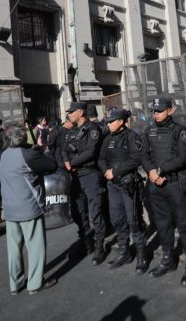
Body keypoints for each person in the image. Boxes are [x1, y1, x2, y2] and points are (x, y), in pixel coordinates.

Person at [141, 97, 186, 286]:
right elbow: (144, 155)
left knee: (184, 224)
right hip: (156, 185)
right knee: (163, 224)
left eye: (159, 110)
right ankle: (168, 259)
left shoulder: (179, 132)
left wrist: (160, 170)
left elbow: (183, 158)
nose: (155, 114)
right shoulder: (149, 131)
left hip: (175, 185)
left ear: (170, 111)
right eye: (154, 111)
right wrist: (151, 171)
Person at [0, 123, 57, 295]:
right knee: (35, 247)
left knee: (14, 250)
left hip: (9, 209)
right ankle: (34, 283)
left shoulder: (4, 155)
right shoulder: (29, 155)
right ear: (23, 137)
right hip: (28, 207)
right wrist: (42, 149)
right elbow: (51, 165)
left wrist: (35, 149)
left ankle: (15, 284)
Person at [98, 107, 149, 274]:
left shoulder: (131, 137)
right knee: (117, 219)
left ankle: (142, 255)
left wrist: (115, 171)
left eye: (111, 121)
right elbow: (101, 158)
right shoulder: (107, 138)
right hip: (113, 185)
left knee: (133, 220)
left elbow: (136, 159)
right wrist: (107, 171)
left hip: (127, 184)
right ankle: (124, 252)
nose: (109, 124)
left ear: (121, 121)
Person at [64, 101, 107, 263]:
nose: (69, 114)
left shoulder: (93, 129)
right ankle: (86, 242)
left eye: (71, 112)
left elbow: (90, 152)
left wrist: (73, 163)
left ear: (80, 112)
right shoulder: (71, 131)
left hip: (90, 175)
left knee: (95, 212)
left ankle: (99, 246)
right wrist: (67, 162)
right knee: (78, 212)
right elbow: (64, 150)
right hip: (75, 177)